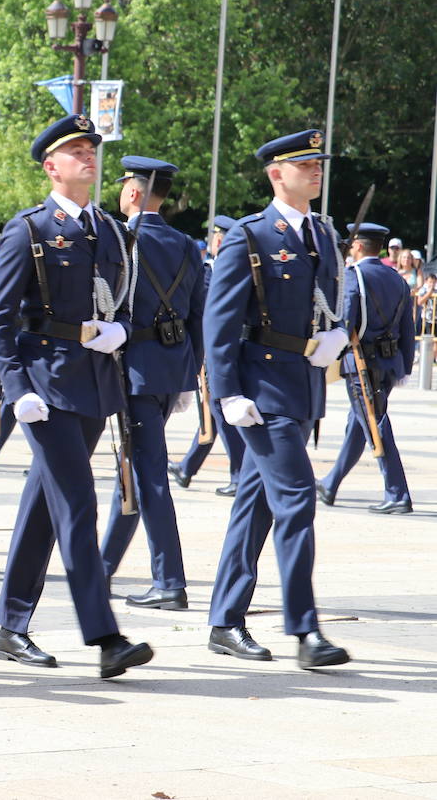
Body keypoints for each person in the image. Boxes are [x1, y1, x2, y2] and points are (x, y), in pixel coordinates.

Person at [0, 113, 154, 679]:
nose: (88, 157)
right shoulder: (29, 229)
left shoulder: (109, 230)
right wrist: (15, 389)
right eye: (75, 151)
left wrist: (122, 330)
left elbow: (124, 301)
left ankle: (11, 625)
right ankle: (105, 636)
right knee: (78, 504)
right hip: (46, 386)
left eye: (91, 149)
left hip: (93, 384)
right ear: (51, 167)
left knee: (43, 508)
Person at [204, 128, 351, 670]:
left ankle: (225, 620)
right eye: (305, 164)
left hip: (302, 381)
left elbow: (334, 297)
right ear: (276, 173)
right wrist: (227, 394)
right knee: (296, 498)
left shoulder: (324, 234)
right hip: (261, 388)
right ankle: (305, 630)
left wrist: (338, 333)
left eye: (318, 163)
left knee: (256, 505)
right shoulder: (250, 236)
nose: (316, 171)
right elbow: (218, 324)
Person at [98, 156, 205, 611]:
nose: (121, 192)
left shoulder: (124, 239)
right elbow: (197, 317)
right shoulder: (186, 244)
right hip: (168, 369)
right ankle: (101, 569)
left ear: (136, 193)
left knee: (148, 475)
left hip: (134, 370)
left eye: (125, 186)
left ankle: (169, 581)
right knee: (136, 471)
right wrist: (188, 376)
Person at [316, 222, 417, 514]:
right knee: (358, 425)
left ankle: (397, 493)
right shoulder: (396, 278)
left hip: (362, 363)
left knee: (375, 423)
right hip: (389, 362)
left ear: (357, 245)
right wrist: (405, 366)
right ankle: (331, 483)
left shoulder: (354, 277)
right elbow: (407, 327)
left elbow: (345, 323)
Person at [170, 215, 245, 497]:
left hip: (216, 351)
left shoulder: (219, 269)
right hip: (221, 349)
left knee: (218, 411)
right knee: (210, 413)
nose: (215, 239)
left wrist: (201, 352)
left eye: (217, 234)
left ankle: (240, 474)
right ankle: (188, 467)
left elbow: (206, 313)